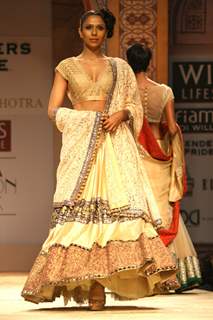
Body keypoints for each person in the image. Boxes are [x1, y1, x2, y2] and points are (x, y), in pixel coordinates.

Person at [21, 9, 179, 311]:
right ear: (80, 32)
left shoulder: (120, 67)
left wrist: (123, 113)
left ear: (106, 33)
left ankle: (99, 286)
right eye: (89, 28)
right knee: (83, 217)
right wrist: (85, 120)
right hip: (83, 146)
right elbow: (53, 111)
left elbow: (134, 105)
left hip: (113, 143)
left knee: (115, 214)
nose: (94, 32)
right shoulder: (66, 66)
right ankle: (88, 282)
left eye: (100, 28)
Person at [126, 43, 202, 292]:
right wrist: (173, 145)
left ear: (128, 64)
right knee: (163, 210)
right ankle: (170, 273)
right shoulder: (165, 91)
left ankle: (140, 275)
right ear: (150, 64)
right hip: (159, 153)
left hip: (135, 152)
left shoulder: (125, 94)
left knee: (141, 211)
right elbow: (171, 127)